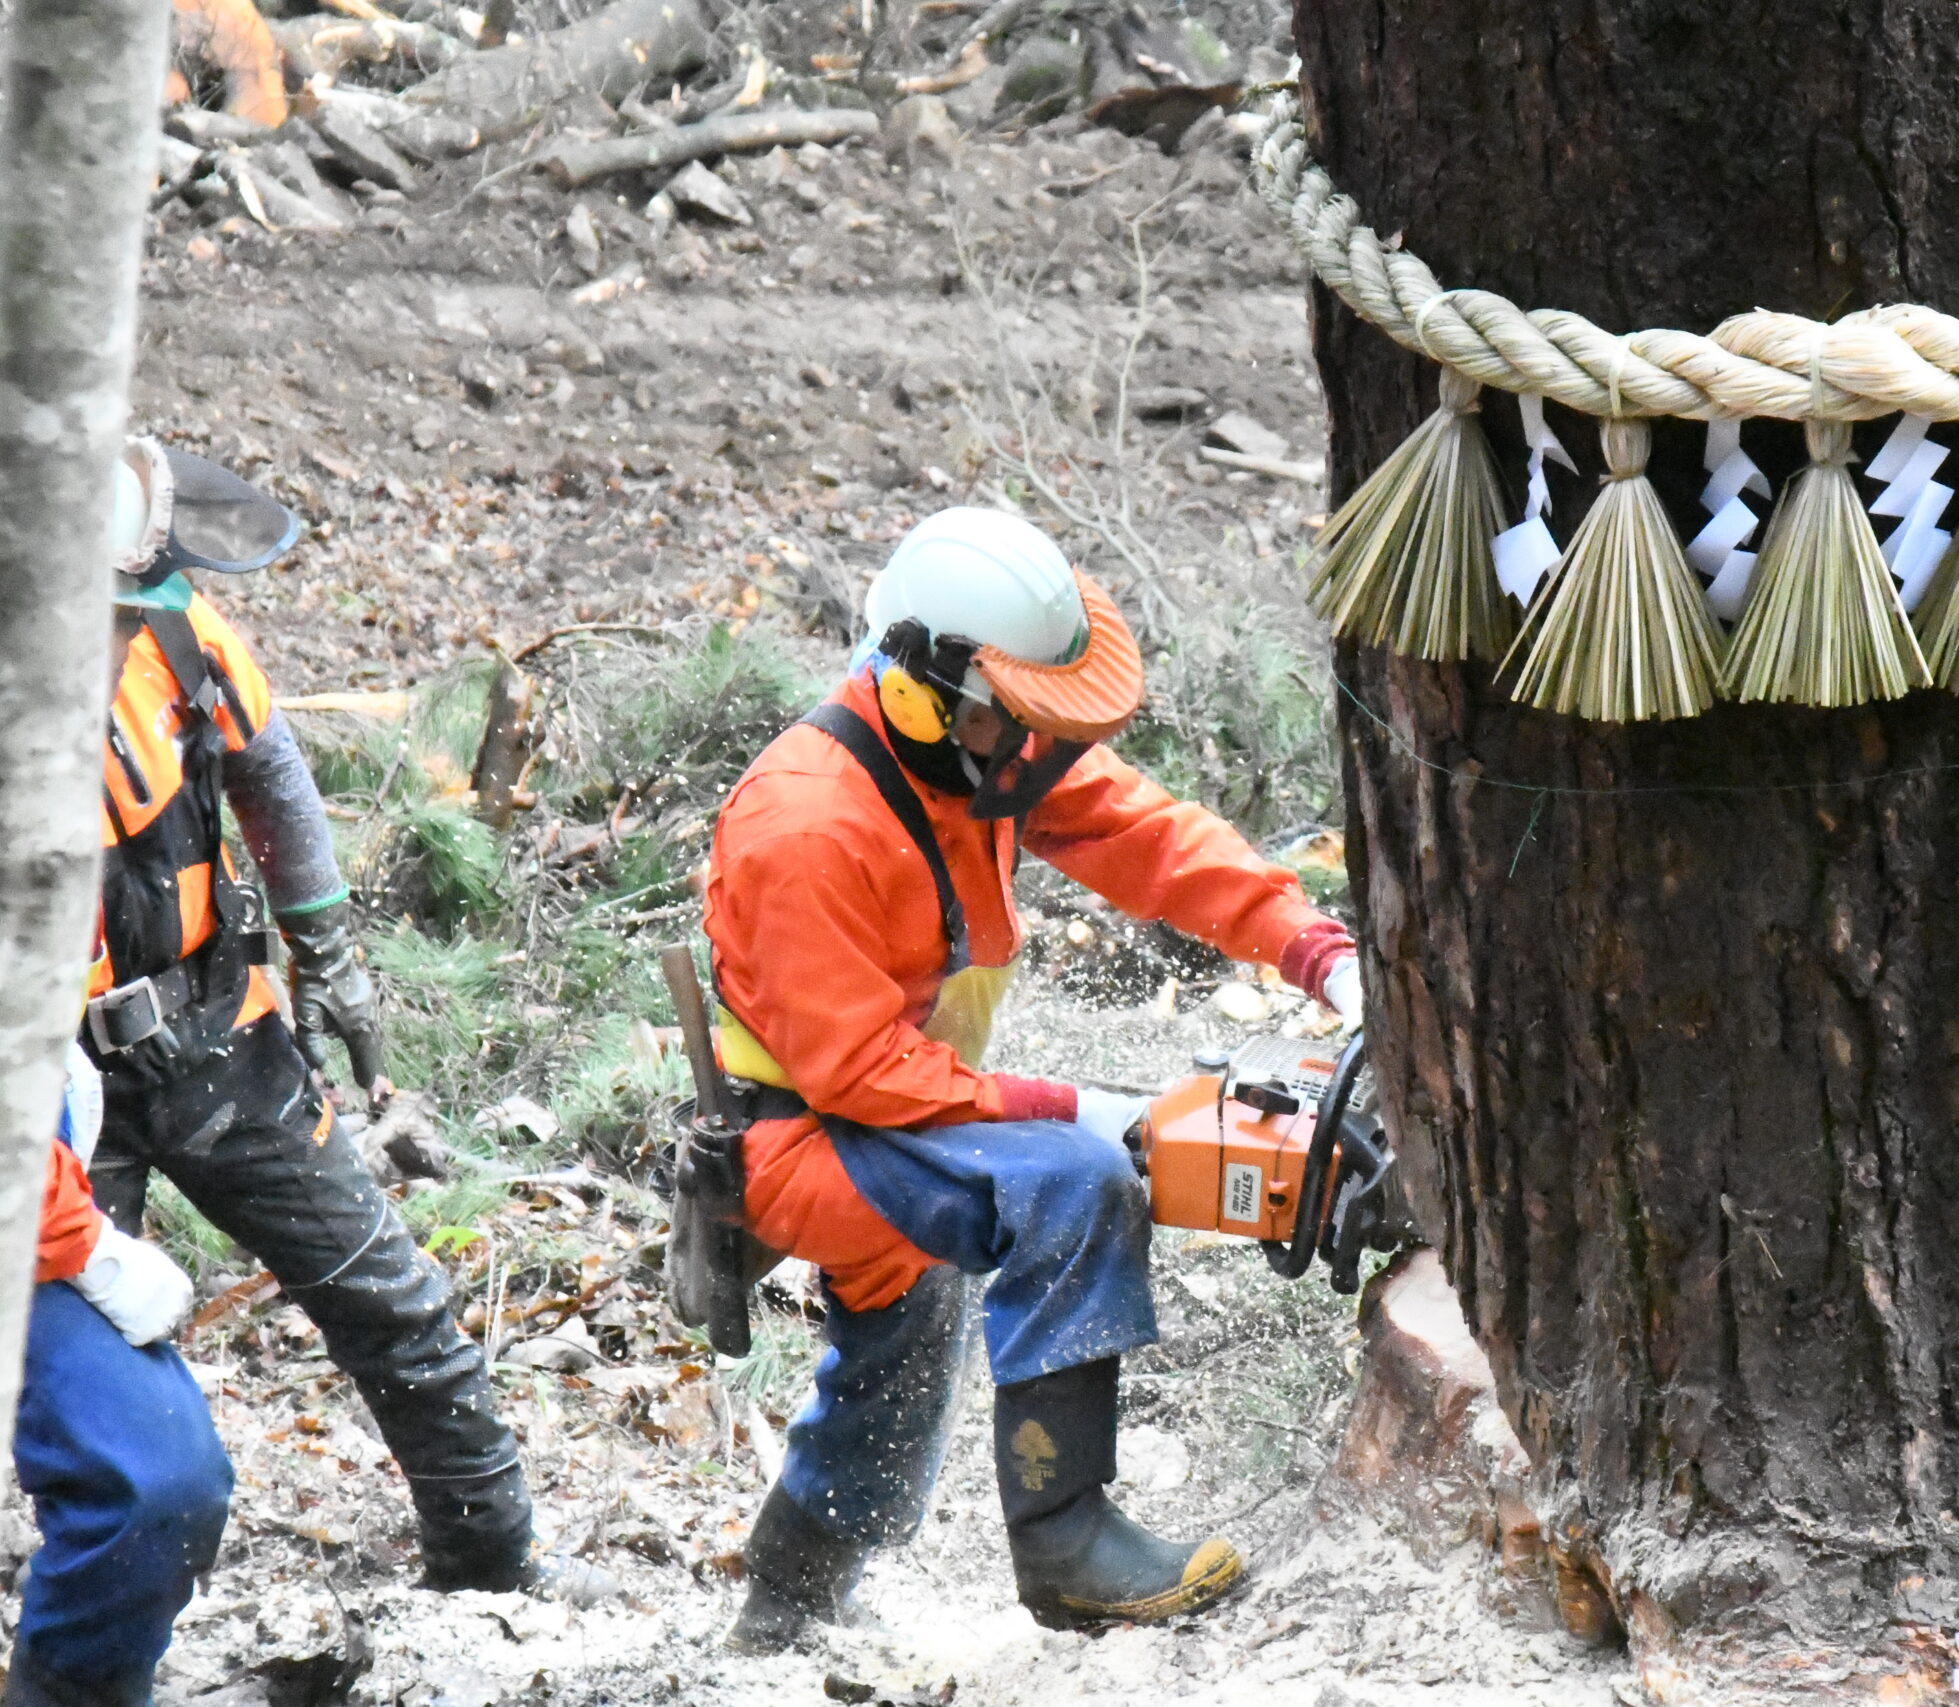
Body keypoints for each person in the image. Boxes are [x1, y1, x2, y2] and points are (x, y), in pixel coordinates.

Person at [705, 508, 1364, 1649]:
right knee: (1070, 1180)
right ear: (929, 684)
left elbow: (1148, 836)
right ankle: (1065, 1542)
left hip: (886, 1110)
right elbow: (861, 1071)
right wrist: (1080, 1111)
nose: (1045, 751)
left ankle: (785, 1601)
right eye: (1022, 721)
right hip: (803, 1135)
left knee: (899, 1343)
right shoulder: (806, 827)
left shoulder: (979, 751)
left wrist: (1314, 950)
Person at [78, 438, 603, 1603]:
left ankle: (493, 1565)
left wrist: (328, 952)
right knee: (79, 1366)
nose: (122, 631)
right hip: (50, 1085)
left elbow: (270, 771)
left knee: (385, 1293)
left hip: (217, 1024)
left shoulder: (175, 635)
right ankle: (99, 1612)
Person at [7, 1046, 232, 1707]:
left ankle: (76, 1687)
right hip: (37, 1216)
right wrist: (86, 1249)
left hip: (26, 1228)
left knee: (158, 1481)